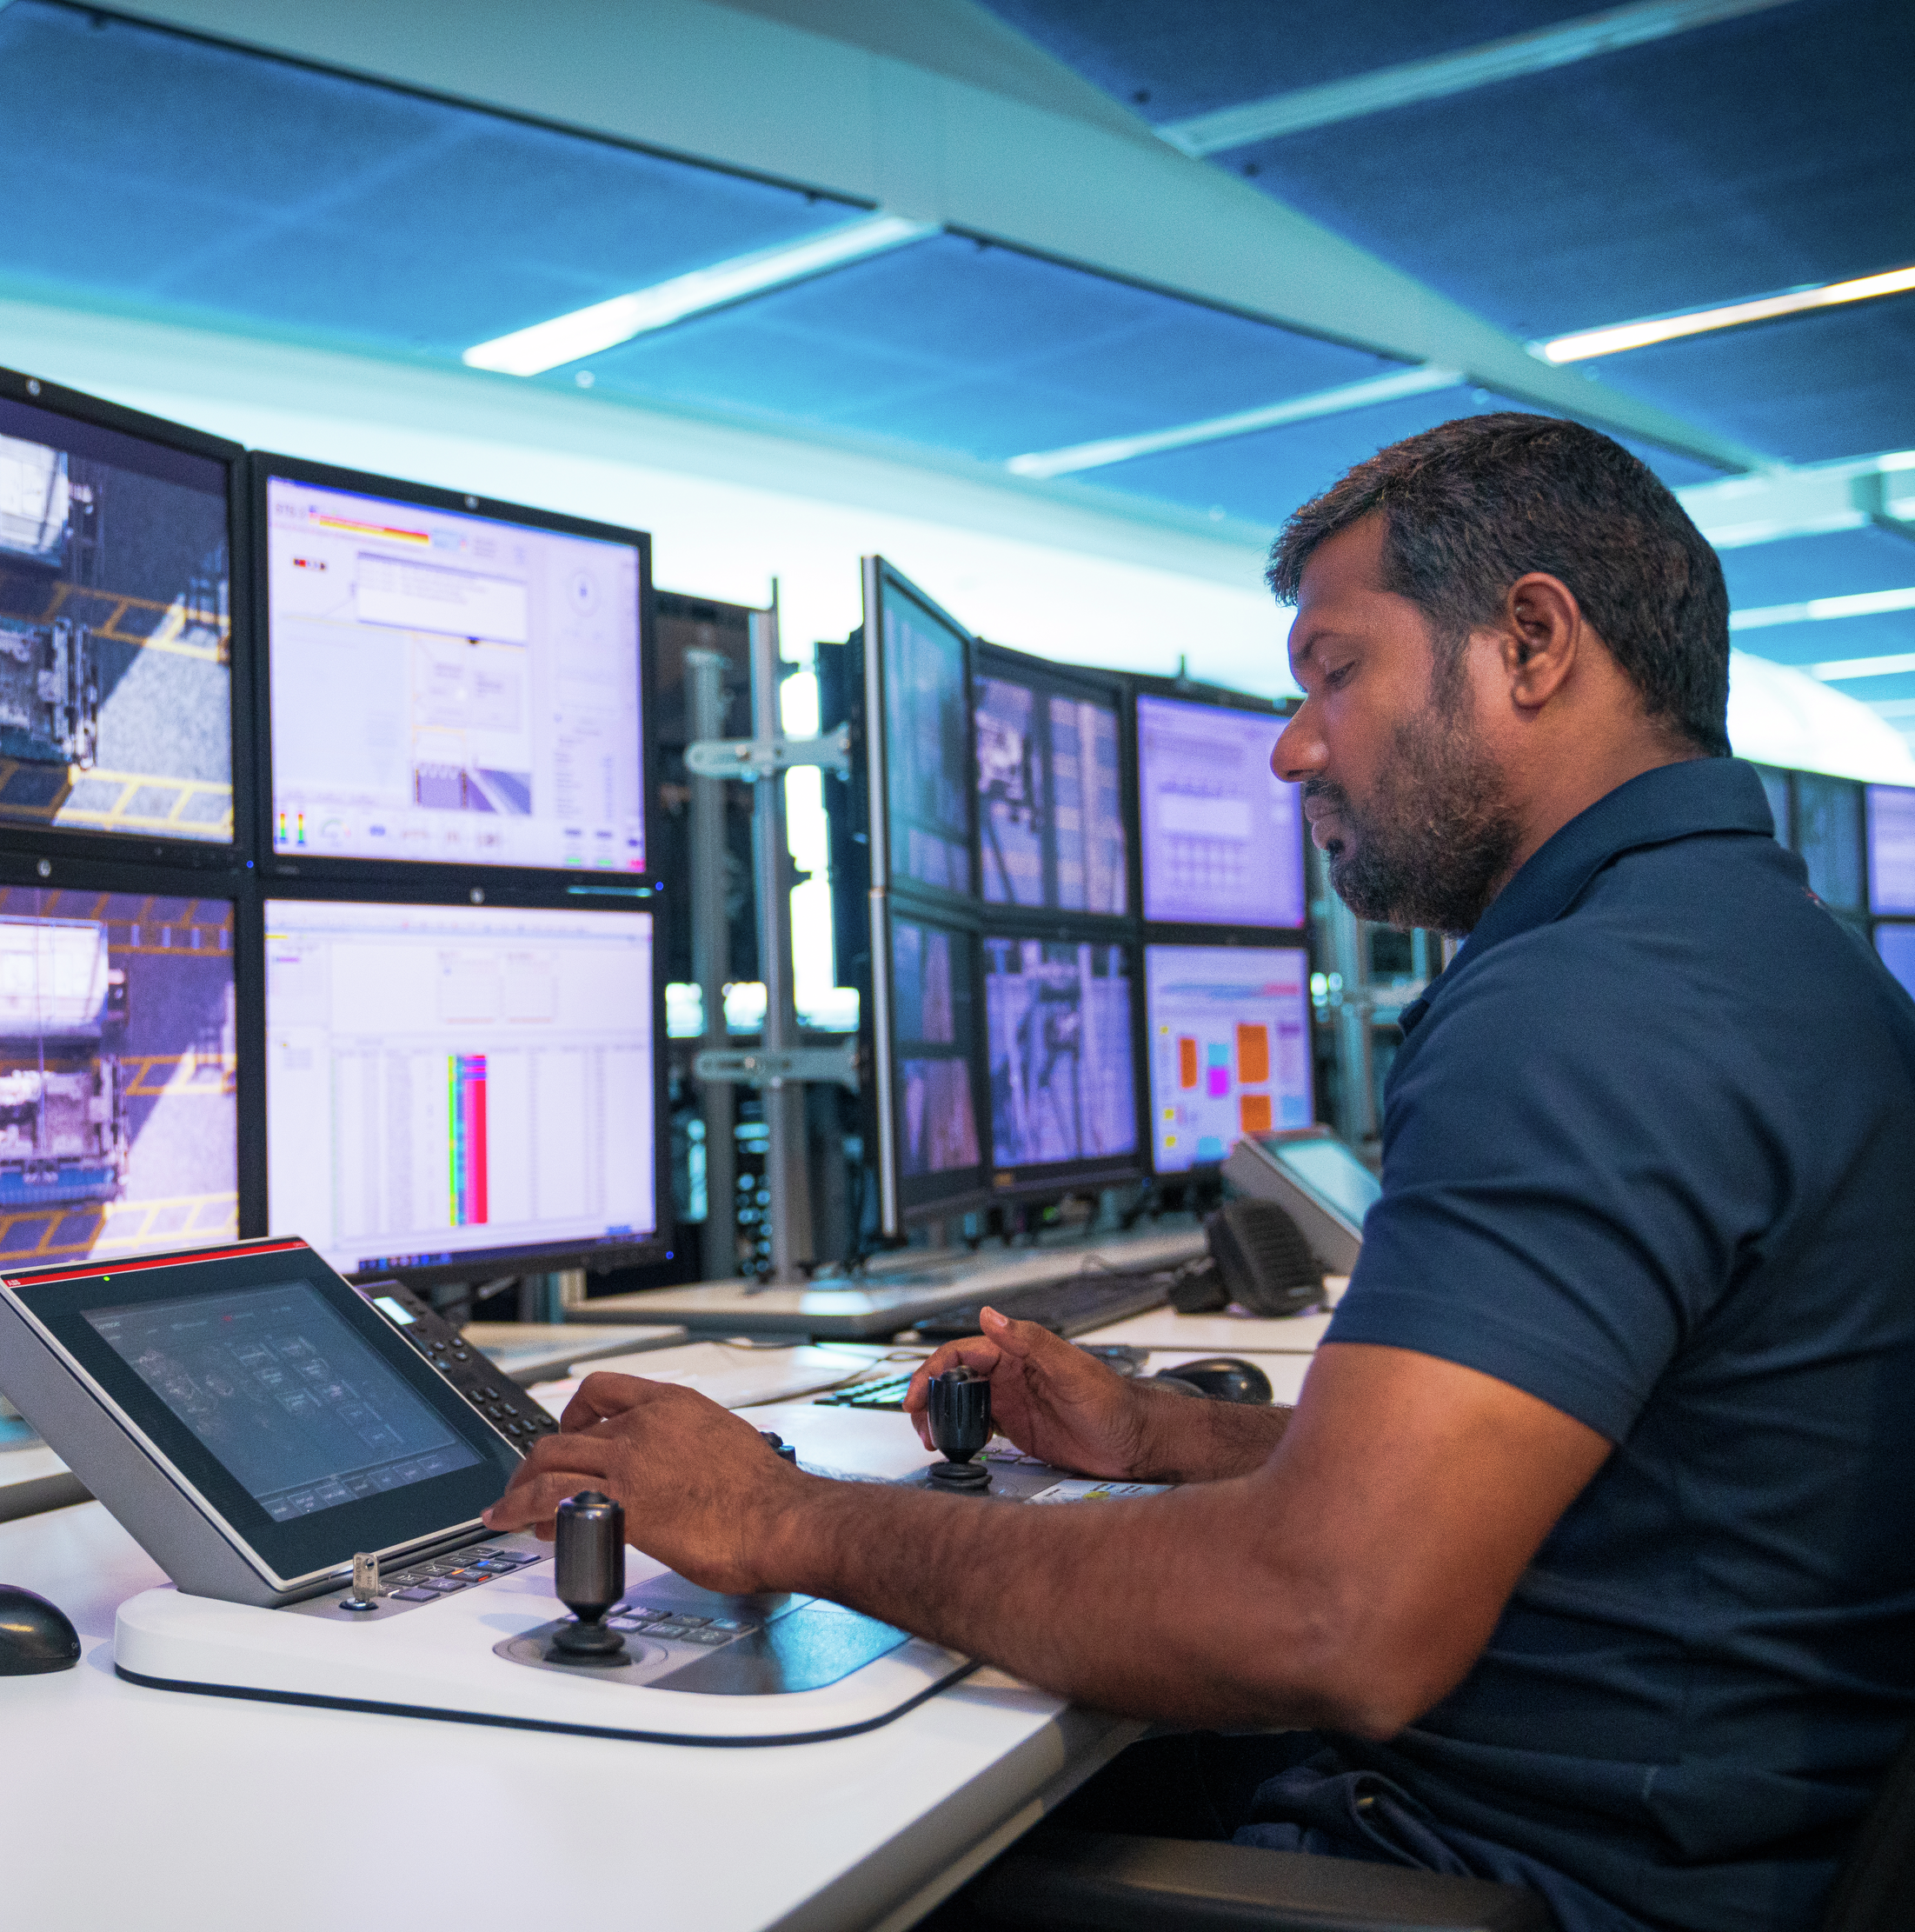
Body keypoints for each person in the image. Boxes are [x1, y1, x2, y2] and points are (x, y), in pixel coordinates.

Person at [485, 415, 1915, 1932]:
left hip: (1504, 1877)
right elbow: (1596, 1478)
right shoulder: (1779, 963)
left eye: (1335, 671)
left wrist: (783, 1519)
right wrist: (1174, 1435)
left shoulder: (1588, 1003)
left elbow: (1331, 1613)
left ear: (1533, 642)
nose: (1296, 745)